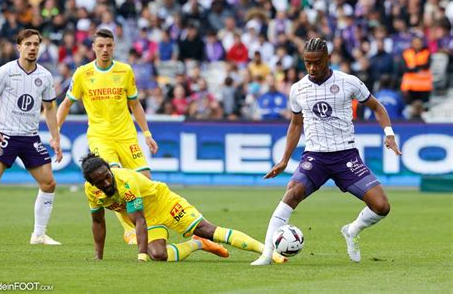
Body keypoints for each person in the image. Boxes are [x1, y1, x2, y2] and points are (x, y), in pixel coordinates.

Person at [251, 38, 402, 266]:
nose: (312, 68)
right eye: (307, 63)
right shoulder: (298, 89)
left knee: (382, 206)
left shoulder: (349, 82)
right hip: (316, 157)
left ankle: (351, 230)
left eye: (317, 62)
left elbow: (377, 107)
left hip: (346, 157)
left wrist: (389, 133)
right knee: (291, 194)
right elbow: (295, 124)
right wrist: (284, 160)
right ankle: (266, 255)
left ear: (328, 58)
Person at [80, 153, 288, 263]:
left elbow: (139, 220)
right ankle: (198, 245)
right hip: (148, 218)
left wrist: (141, 256)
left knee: (208, 230)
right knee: (159, 255)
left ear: (109, 170)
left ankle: (268, 251)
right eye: (99, 182)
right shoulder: (91, 192)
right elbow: (97, 221)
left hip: (164, 203)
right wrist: (99, 255)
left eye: (107, 176)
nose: (106, 183)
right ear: (91, 183)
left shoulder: (125, 181)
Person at [56, 29, 158, 245]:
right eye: (100, 46)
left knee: (147, 182)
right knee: (115, 179)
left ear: (114, 47)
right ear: (93, 47)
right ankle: (129, 229)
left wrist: (147, 134)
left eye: (109, 46)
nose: (104, 50)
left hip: (127, 136)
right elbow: (65, 104)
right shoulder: (83, 74)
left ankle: (151, 227)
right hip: (100, 137)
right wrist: (55, 135)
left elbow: (135, 104)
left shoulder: (125, 71)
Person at [0, 29, 63, 245]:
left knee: (49, 183)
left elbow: (50, 107)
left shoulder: (44, 75)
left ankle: (38, 234)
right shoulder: (6, 71)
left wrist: (55, 138)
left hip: (30, 138)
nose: (33, 48)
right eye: (28, 44)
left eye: (36, 44)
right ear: (19, 47)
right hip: (6, 134)